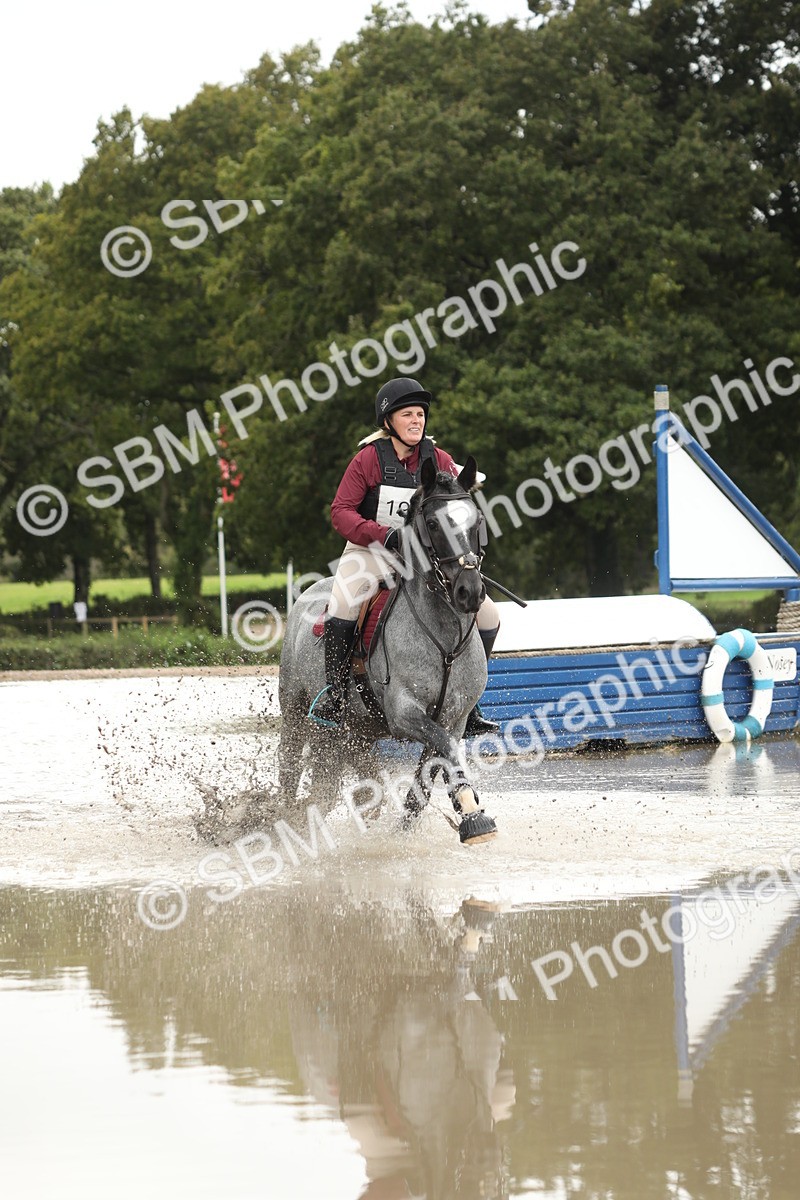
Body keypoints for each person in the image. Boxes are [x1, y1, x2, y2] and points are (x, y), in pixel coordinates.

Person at [310, 377, 501, 733]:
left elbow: (462, 501)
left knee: (489, 616)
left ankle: (469, 706)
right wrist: (384, 534)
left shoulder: (438, 458)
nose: (416, 421)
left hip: (426, 555)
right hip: (371, 548)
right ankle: (335, 696)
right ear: (388, 423)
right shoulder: (367, 460)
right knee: (344, 604)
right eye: (407, 415)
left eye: (420, 415)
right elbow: (341, 512)